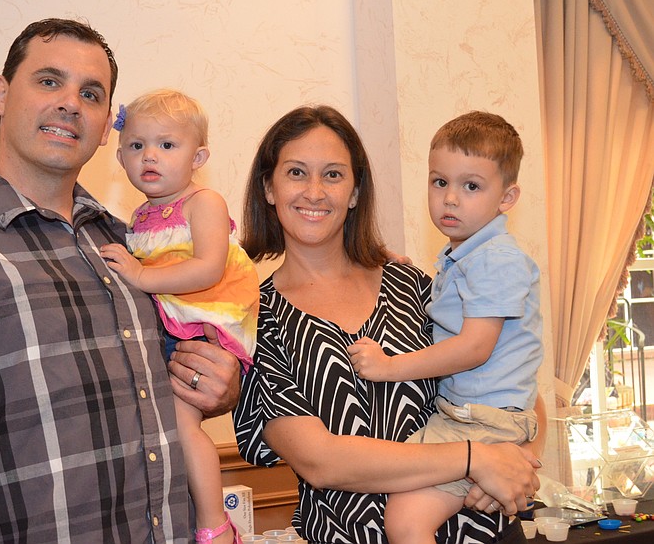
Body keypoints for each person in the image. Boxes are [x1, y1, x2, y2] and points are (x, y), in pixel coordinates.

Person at [0, 18, 240, 544]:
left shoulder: (129, 249)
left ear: (106, 131)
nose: (70, 103)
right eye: (49, 81)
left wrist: (217, 384)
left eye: (91, 94)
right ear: (1, 95)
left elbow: (188, 369)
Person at [233, 105, 544, 544]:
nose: (315, 192)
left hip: (482, 530)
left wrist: (519, 463)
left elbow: (512, 375)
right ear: (269, 187)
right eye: (297, 173)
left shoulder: (413, 285)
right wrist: (477, 459)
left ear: (356, 192)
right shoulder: (256, 320)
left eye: (334, 175)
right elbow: (323, 462)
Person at [348, 111, 542, 544]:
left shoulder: (498, 259)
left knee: (406, 522)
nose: (450, 198)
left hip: (482, 423)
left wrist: (387, 366)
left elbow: (474, 347)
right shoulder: (464, 258)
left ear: (507, 198)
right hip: (468, 417)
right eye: (440, 182)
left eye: (471, 186)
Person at [99, 89, 258, 544]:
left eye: (167, 145)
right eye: (136, 145)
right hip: (177, 320)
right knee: (163, 424)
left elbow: (208, 266)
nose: (150, 156)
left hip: (208, 322)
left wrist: (140, 275)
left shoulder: (202, 202)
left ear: (198, 155)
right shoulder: (142, 215)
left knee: (184, 425)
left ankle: (215, 525)